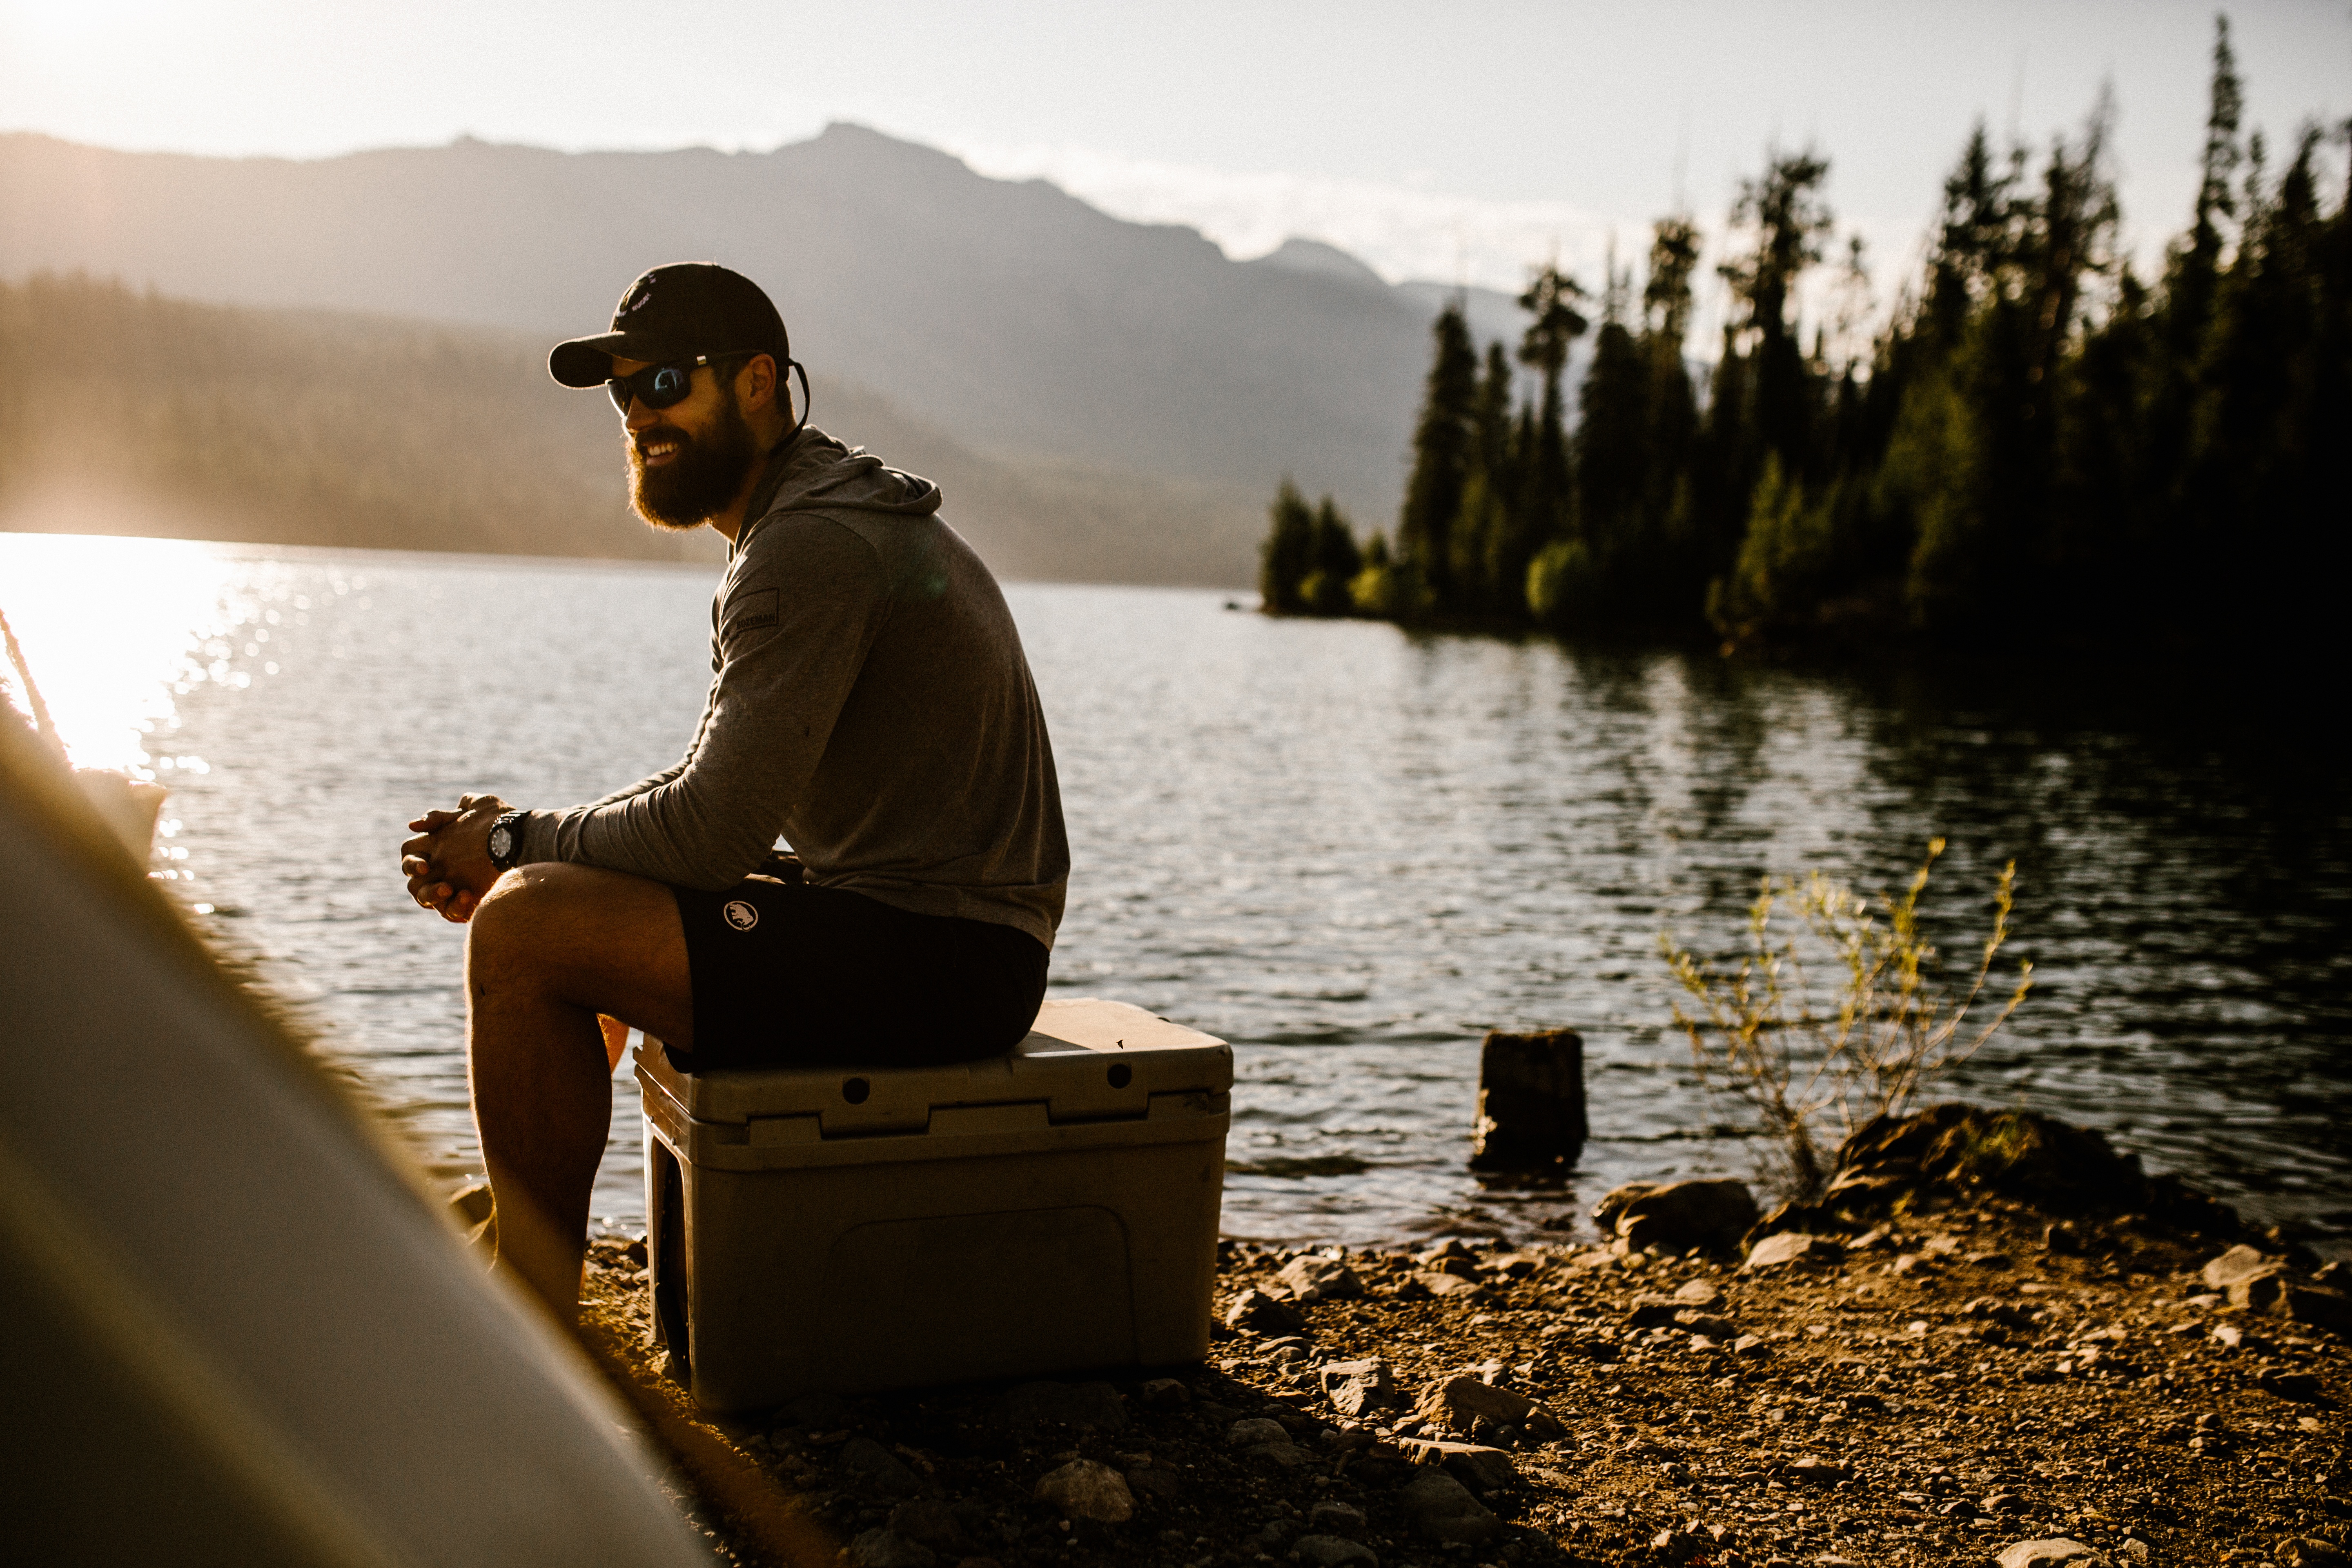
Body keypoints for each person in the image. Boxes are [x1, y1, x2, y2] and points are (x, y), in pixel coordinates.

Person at [399, 263, 1069, 1322]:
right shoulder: (818, 515)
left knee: (530, 929)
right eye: (623, 396)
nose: (640, 417)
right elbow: (717, 807)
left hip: (950, 960)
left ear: (758, 383)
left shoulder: (810, 546)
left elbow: (709, 832)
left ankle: (524, 1319)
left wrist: (515, 845)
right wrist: (536, 850)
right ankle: (519, 1238)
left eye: (665, 381)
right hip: (936, 931)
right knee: (567, 899)